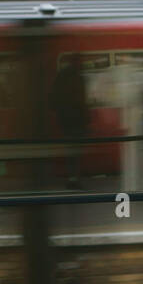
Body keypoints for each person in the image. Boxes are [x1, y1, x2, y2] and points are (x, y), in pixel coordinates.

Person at [51, 53, 90, 188]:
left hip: (65, 119)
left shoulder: (61, 75)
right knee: (76, 150)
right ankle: (74, 179)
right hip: (76, 119)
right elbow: (81, 100)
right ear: (77, 62)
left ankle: (72, 177)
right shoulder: (77, 77)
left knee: (71, 150)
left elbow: (54, 99)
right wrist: (86, 118)